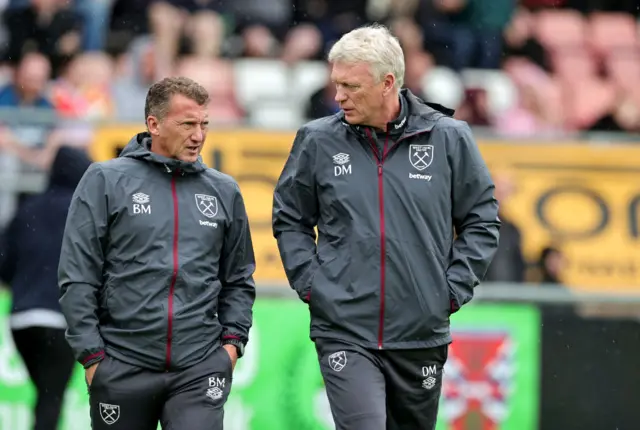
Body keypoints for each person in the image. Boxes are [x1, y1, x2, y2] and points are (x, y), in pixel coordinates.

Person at [272, 24, 500, 430]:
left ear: (387, 83)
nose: (338, 95)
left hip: (420, 332)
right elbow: (290, 218)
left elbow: (482, 220)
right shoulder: (316, 140)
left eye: (350, 86)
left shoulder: (448, 138)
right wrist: (313, 285)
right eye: (336, 83)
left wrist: (448, 291)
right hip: (344, 329)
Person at [58, 76, 256, 430]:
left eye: (204, 124)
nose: (199, 136)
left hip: (199, 367)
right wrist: (93, 358)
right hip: (121, 364)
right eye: (188, 124)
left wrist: (231, 346)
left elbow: (238, 278)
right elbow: (78, 275)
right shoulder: (105, 180)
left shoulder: (224, 191)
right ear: (154, 124)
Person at [0, 146, 92, 430]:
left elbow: (4, 264)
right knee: (51, 399)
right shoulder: (85, 213)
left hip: (22, 320)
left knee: (45, 394)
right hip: (61, 322)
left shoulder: (28, 208)